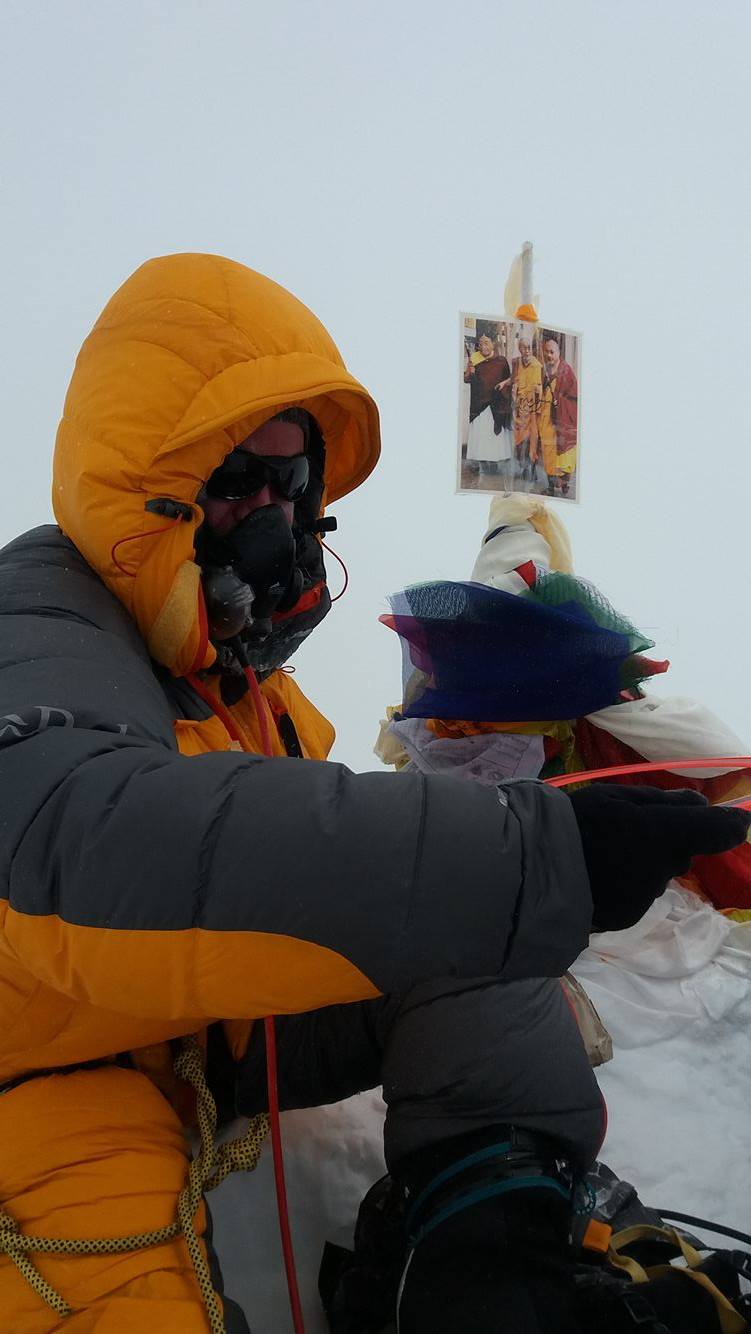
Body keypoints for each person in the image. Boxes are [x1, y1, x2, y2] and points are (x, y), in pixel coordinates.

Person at [0, 252, 746, 1334]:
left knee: (459, 930)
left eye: (292, 482)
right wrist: (532, 853)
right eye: (233, 478)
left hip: (189, 1028)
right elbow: (78, 834)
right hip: (45, 1060)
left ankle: (489, 1255)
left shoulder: (239, 683)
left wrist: (489, 873)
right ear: (142, 483)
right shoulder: (42, 623)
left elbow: (332, 862)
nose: (271, 511)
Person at [463, 331, 513, 479]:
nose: (483, 346)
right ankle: (482, 463)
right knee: (481, 434)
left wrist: (503, 387)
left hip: (496, 404)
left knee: (493, 437)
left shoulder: (501, 361)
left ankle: (495, 463)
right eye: (480, 343)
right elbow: (466, 379)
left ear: (493, 344)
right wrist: (469, 372)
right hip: (479, 405)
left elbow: (509, 379)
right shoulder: (474, 359)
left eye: (486, 342)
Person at [540, 333, 579, 497]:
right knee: (548, 450)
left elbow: (575, 394)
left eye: (552, 352)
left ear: (558, 353)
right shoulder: (545, 370)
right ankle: (550, 486)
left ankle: (564, 485)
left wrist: (560, 401)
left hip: (562, 418)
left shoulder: (566, 370)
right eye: (546, 352)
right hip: (547, 416)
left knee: (564, 452)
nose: (549, 355)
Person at [512, 329, 543, 487]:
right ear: (520, 349)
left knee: (532, 440)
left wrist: (535, 410)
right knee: (519, 441)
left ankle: (531, 469)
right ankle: (525, 467)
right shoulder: (517, 363)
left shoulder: (537, 365)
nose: (527, 350)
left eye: (529, 347)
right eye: (524, 347)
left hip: (531, 410)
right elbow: (515, 381)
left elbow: (538, 388)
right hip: (519, 408)